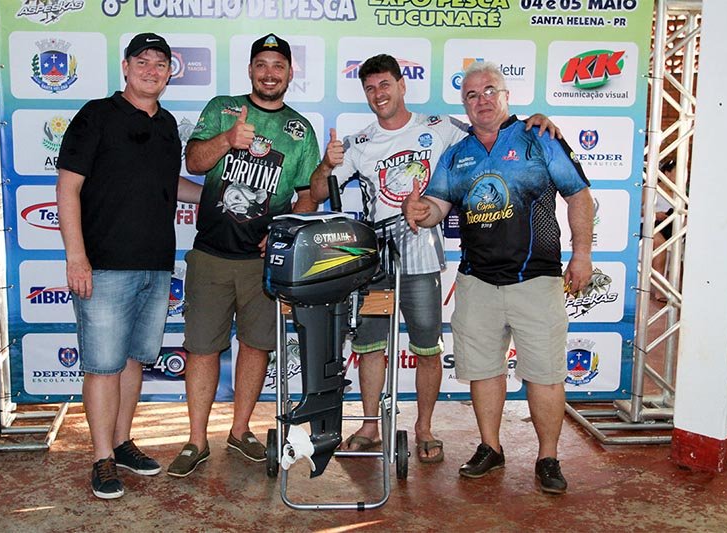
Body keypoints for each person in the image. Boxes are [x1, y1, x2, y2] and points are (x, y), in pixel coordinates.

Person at [310, 54, 560, 464]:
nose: (378, 94)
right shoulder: (359, 141)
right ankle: (370, 426)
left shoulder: (440, 126)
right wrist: (327, 163)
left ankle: (424, 428)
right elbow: (319, 192)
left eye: (385, 84)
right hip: (374, 257)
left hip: (421, 251)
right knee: (370, 345)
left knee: (427, 347)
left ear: (402, 84)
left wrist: (535, 121)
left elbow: (491, 128)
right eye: (370, 88)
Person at [402, 61, 593, 493]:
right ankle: (491, 447)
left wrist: (582, 254)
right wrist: (419, 211)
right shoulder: (457, 154)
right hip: (477, 282)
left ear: (506, 95)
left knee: (545, 374)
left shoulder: (538, 137)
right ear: (464, 105)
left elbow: (579, 195)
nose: (482, 100)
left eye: (489, 90)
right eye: (471, 95)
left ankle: (548, 457)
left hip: (536, 279)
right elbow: (436, 208)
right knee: (484, 371)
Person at [56, 33, 202, 499]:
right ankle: (101, 458)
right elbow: (67, 188)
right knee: (102, 366)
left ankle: (121, 443)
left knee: (134, 360)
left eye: (161, 63)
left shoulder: (168, 124)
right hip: (103, 266)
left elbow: (168, 183)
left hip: (156, 266)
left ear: (169, 73)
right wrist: (76, 256)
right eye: (143, 61)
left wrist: (214, 198)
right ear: (125, 66)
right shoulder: (96, 115)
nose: (151, 70)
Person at [167, 34, 320, 477]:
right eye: (262, 65)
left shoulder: (300, 130)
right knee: (201, 348)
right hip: (211, 255)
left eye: (278, 66)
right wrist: (228, 139)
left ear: (290, 73)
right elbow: (194, 162)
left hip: (263, 263)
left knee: (256, 346)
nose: (270, 73)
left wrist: (282, 231)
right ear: (251, 69)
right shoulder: (223, 108)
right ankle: (196, 440)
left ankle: (239, 431)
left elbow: (308, 195)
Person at [651, 159, 676, 301]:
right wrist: (655, 214)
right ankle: (659, 289)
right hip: (652, 225)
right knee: (660, 244)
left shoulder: (682, 193)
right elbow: (636, 209)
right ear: (667, 173)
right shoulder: (652, 189)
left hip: (673, 227)